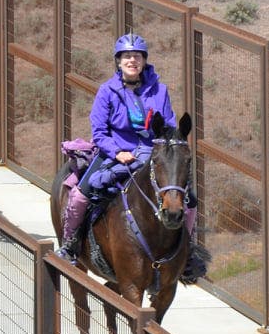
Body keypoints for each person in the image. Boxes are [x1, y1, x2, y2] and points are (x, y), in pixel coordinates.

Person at [57, 33, 207, 283]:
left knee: (188, 200)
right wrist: (117, 152)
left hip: (152, 153)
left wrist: (164, 148)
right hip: (114, 153)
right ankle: (70, 244)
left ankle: (188, 252)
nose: (132, 61)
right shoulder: (107, 91)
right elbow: (99, 132)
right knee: (81, 193)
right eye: (127, 56)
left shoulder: (160, 90)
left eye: (137, 56)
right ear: (118, 61)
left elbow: (169, 126)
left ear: (144, 61)